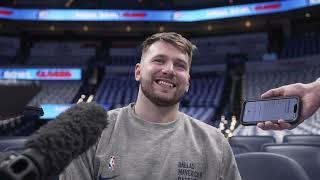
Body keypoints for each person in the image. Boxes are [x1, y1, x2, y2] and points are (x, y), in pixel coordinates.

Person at [59, 32, 241, 180]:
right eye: (159, 60)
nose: (169, 70)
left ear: (187, 82)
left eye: (180, 65)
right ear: (138, 71)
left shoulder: (216, 143)